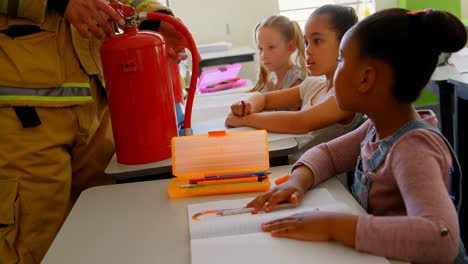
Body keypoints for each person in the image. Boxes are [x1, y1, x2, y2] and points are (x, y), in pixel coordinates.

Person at [247, 8, 468, 264]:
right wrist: (298, 180)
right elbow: (327, 154)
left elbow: (440, 239)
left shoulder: (413, 148)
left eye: (341, 60)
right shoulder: (378, 126)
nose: (337, 68)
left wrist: (334, 226)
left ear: (366, 78)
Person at [0, 0, 187, 262]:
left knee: (107, 235)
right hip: (24, 109)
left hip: (98, 100)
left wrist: (157, 20)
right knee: (33, 239)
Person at [226, 5, 363, 162]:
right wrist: (247, 107)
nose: (308, 50)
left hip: (324, 182)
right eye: (306, 43)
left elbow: (301, 121)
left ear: (345, 44)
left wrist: (246, 120)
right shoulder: (312, 85)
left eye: (317, 41)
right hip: (291, 166)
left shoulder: (345, 97)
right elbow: (264, 99)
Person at [250, 15, 308, 93]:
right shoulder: (271, 81)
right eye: (260, 49)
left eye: (271, 47)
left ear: (290, 47)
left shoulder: (297, 81)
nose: (263, 55)